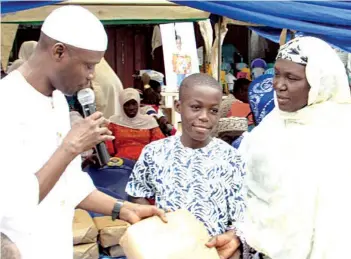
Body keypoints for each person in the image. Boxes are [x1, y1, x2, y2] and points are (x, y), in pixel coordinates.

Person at [0, 6, 166, 259]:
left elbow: (69, 185)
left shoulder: (56, 101)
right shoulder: (6, 102)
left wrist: (123, 208)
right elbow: (13, 205)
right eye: (88, 66)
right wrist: (70, 148)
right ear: (58, 52)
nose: (91, 77)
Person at [238, 36, 351, 259]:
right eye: (276, 73)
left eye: (292, 77)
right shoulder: (268, 128)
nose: (278, 85)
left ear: (319, 83)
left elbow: (349, 220)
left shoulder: (346, 133)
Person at [126, 73, 246, 259]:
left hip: (214, 252)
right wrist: (156, 223)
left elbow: (241, 214)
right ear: (178, 107)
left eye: (213, 110)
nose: (204, 117)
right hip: (169, 251)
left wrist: (234, 238)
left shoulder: (231, 157)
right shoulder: (154, 152)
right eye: (196, 107)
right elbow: (137, 193)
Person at [107, 88, 166, 161]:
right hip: (120, 165)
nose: (131, 108)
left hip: (146, 163)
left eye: (134, 103)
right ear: (121, 105)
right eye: (127, 104)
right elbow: (107, 148)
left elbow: (159, 145)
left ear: (138, 103)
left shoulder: (149, 122)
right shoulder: (114, 122)